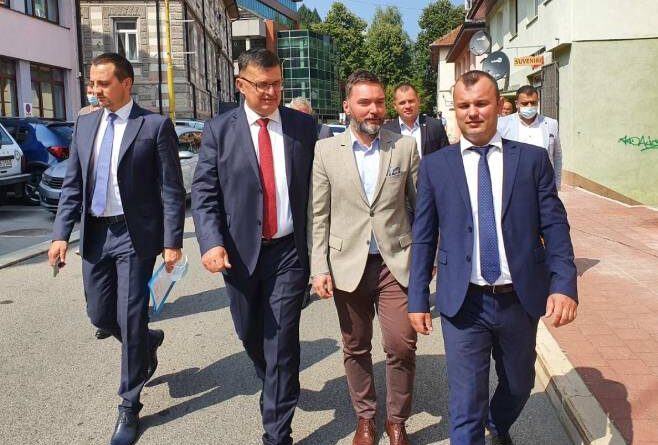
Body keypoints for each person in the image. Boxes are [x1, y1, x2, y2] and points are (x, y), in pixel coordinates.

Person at [408, 70, 578, 445]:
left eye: (481, 104)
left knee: (520, 384)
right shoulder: (436, 166)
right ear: (455, 109)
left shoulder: (532, 160)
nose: (472, 112)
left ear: (499, 106)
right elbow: (423, 237)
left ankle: (498, 425)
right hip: (463, 302)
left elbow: (554, 225)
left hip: (518, 299)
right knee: (465, 403)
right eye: (464, 105)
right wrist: (417, 297)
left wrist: (564, 284)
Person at [48, 52, 186, 445]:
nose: (95, 90)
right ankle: (146, 341)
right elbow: (73, 184)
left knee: (129, 314)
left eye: (103, 83)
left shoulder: (154, 126)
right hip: (95, 234)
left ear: (127, 83)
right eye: (92, 83)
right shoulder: (85, 123)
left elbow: (171, 189)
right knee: (100, 315)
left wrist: (171, 242)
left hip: (134, 235)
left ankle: (129, 404)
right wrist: (60, 235)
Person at [192, 48, 317, 445]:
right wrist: (211, 242)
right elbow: (204, 193)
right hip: (239, 254)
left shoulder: (303, 127)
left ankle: (276, 433)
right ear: (241, 85)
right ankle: (275, 382)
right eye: (262, 85)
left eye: (277, 84)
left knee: (281, 342)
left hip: (288, 253)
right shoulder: (219, 130)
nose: (271, 92)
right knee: (250, 334)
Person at [310, 69, 420, 445]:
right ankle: (366, 418)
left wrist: (427, 257)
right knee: (356, 346)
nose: (374, 109)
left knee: (401, 344)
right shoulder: (326, 151)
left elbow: (421, 207)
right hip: (348, 265)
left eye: (379, 102)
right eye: (364, 102)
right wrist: (319, 267)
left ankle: (397, 421)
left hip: (396, 263)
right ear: (347, 107)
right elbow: (319, 215)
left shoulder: (403, 147)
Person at [498, 85, 563, 189]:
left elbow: (557, 156)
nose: (529, 106)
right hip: (513, 184)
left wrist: (556, 185)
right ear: (517, 104)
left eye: (533, 103)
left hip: (543, 185)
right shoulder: (501, 124)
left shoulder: (551, 124)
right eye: (525, 103)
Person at [382, 83, 449, 158]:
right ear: (395, 106)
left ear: (418, 101)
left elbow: (447, 157)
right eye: (402, 103)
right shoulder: (386, 131)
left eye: (411, 101)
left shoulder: (435, 126)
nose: (407, 106)